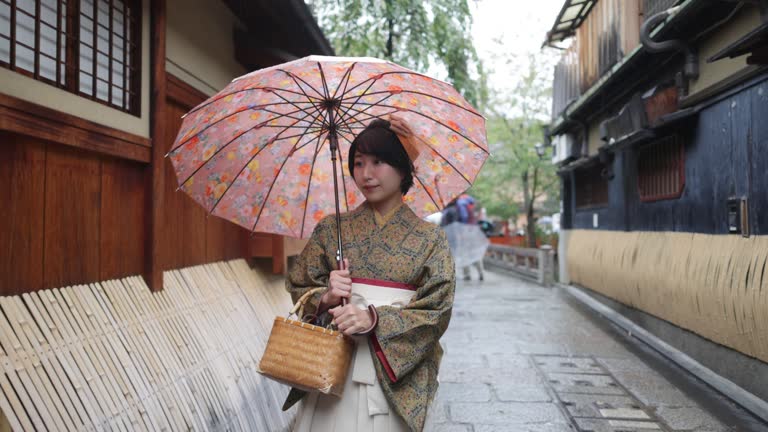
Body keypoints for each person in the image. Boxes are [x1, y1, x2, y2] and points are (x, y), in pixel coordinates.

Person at [286, 118, 456, 432]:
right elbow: (300, 284)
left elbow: (438, 309)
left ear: (403, 169)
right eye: (359, 163)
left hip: (392, 367)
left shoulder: (430, 238)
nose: (366, 174)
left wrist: (374, 320)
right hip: (335, 362)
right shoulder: (331, 229)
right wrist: (326, 296)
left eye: (378, 162)